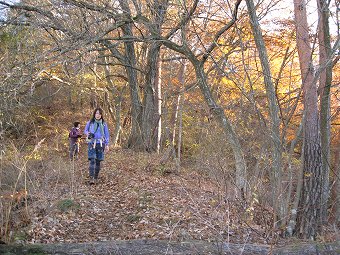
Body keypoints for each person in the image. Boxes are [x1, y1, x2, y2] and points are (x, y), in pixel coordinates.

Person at [84, 107, 110, 184]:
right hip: (92, 143)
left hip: (100, 143)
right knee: (92, 160)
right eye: (96, 113)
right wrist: (88, 133)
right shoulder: (90, 122)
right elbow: (85, 130)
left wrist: (107, 144)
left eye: (99, 113)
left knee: (98, 161)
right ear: (94, 114)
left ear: (101, 115)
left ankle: (95, 177)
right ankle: (91, 178)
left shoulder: (104, 124)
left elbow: (107, 134)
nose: (97, 115)